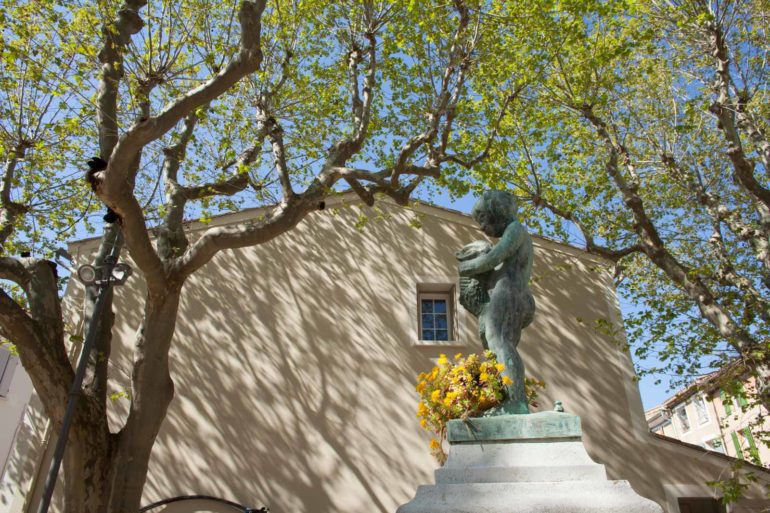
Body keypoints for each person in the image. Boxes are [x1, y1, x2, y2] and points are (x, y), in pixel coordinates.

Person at [458, 190, 535, 414]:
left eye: (482, 218)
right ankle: (506, 398)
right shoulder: (514, 233)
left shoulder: (515, 230)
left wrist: (467, 267)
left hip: (509, 293)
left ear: (497, 210)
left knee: (499, 341)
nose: (481, 226)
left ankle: (516, 402)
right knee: (495, 347)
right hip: (509, 294)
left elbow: (495, 257)